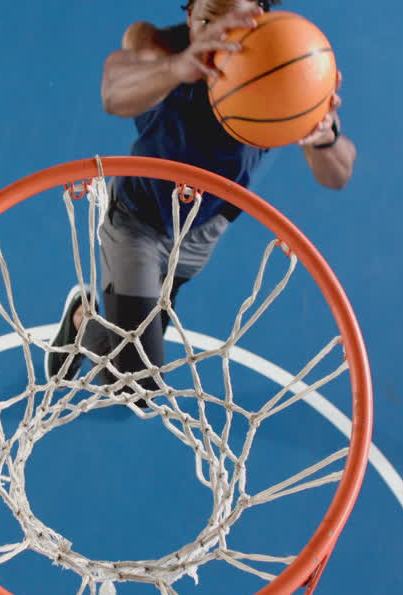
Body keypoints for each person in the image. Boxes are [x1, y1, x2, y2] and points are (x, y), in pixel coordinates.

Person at [45, 0, 357, 397]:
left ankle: (98, 322)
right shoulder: (157, 44)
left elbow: (338, 174)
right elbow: (114, 95)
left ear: (258, 16)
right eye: (208, 17)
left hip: (203, 228)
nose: (218, 31)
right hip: (138, 219)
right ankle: (81, 320)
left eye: (233, 18)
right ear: (189, 11)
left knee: (148, 325)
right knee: (137, 384)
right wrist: (180, 68)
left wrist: (324, 136)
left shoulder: (283, 63)